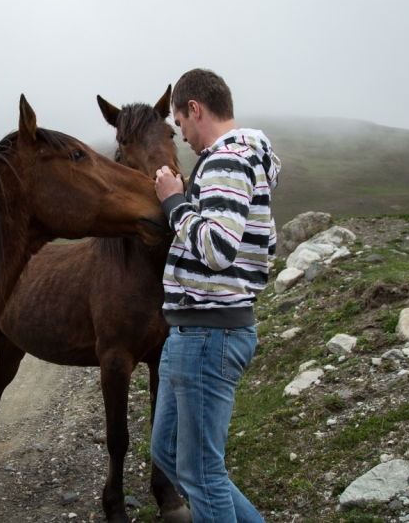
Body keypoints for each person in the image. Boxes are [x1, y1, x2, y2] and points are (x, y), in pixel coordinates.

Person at [150, 68, 280, 523]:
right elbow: (266, 245)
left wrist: (173, 202)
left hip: (210, 334)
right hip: (196, 332)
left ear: (195, 109)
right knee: (167, 450)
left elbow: (218, 249)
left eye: (180, 123)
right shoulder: (247, 162)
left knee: (202, 475)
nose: (181, 136)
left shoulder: (225, 160)